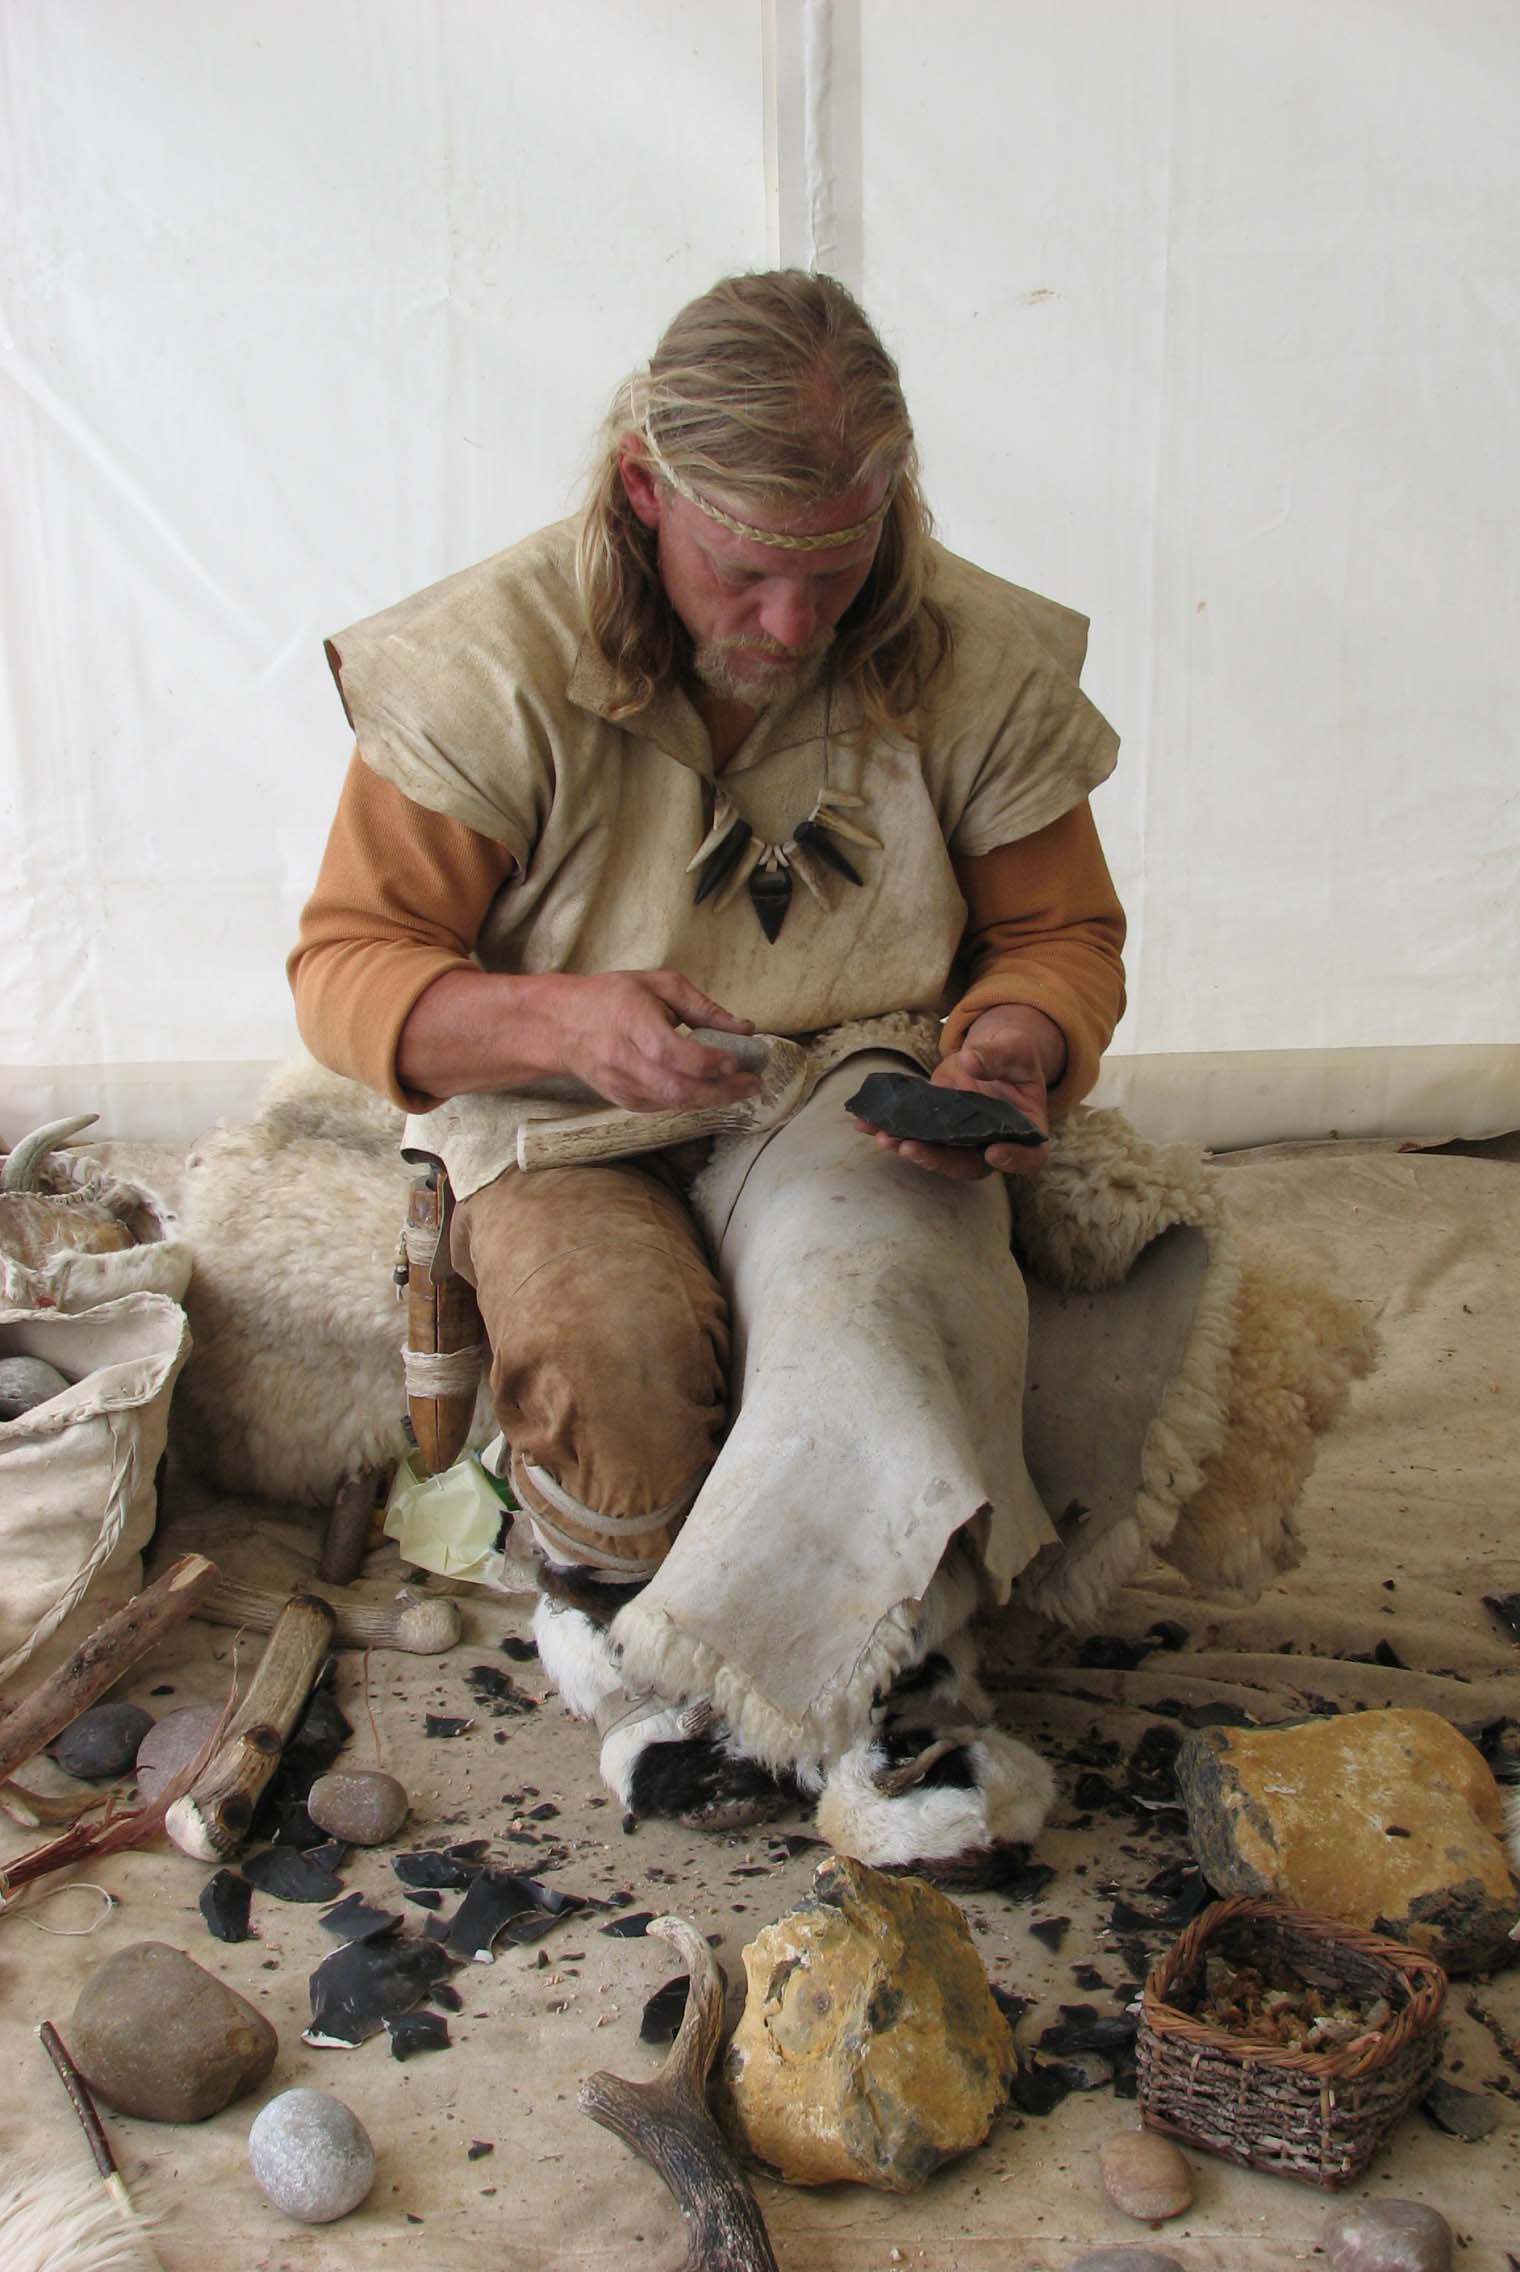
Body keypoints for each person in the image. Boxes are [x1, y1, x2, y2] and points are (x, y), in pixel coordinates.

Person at [289, 270, 1127, 1862]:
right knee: (614, 1352)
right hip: (555, 1104)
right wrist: (564, 1024)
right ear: (642, 490)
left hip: (842, 1072)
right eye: (745, 570)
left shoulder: (969, 652)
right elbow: (346, 974)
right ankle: (641, 1625)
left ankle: (897, 1691)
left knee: (869, 1300)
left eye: (839, 563)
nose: (795, 624)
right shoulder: (488, 662)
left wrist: (1017, 1037)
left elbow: (1059, 932)